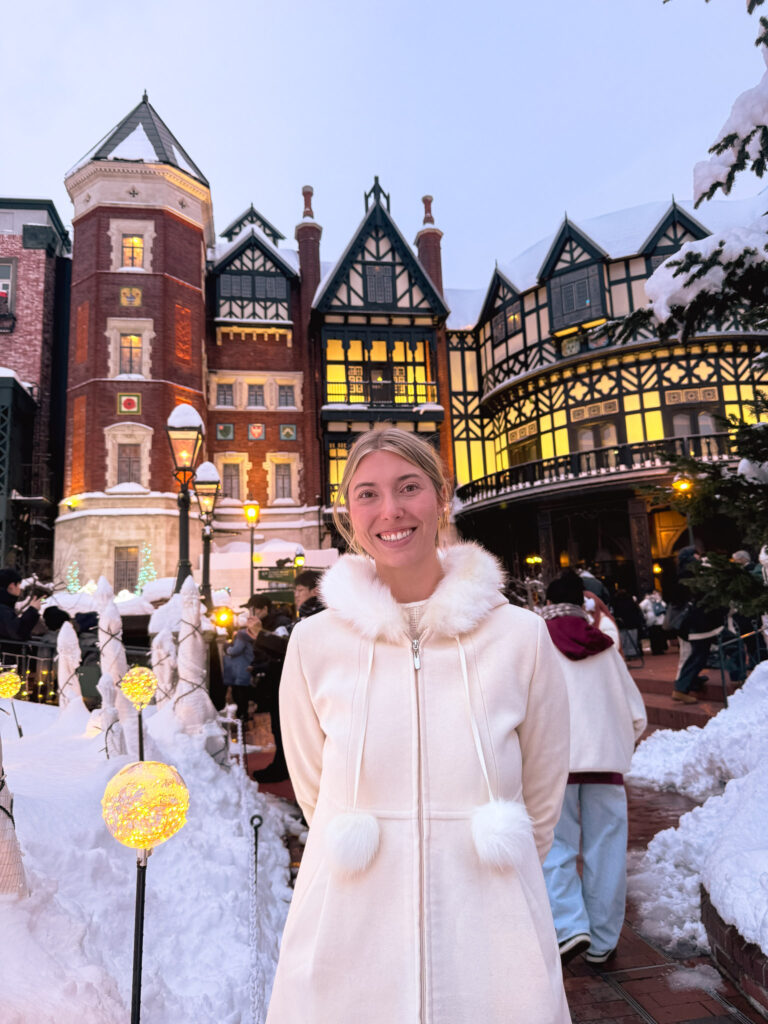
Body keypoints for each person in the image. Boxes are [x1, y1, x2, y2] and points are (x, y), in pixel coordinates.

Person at [266, 427, 572, 1024]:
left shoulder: (519, 637)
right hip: (349, 936)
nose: (391, 510)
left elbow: (541, 793)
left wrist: (498, 879)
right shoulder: (314, 644)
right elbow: (314, 789)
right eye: (368, 494)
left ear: (442, 498)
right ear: (347, 512)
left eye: (409, 488)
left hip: (492, 932)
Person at [541, 570, 647, 967]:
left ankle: (570, 926)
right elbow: (636, 715)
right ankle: (602, 941)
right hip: (606, 767)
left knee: (555, 847)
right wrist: (617, 745)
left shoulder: (534, 646)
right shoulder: (605, 649)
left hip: (553, 765)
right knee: (608, 850)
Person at [670, 546, 724, 703]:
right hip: (702, 622)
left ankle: (689, 683)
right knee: (698, 655)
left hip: (694, 623)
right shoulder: (694, 573)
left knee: (696, 655)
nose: (699, 556)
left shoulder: (681, 574)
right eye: (696, 554)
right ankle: (682, 687)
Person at [222, 616, 261, 720]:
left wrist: (227, 647)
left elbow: (236, 650)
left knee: (240, 694)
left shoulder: (241, 634)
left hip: (241, 668)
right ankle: (246, 714)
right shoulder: (252, 634)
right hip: (249, 665)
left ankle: (242, 715)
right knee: (246, 692)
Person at [0, 569, 41, 645]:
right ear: (11, 586)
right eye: (19, 585)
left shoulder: (5, 605)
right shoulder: (3, 609)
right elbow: (18, 632)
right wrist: (33, 610)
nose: (20, 588)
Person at [639, 591, 667, 655]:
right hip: (660, 620)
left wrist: (644, 615)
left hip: (651, 620)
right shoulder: (658, 599)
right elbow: (664, 605)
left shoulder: (647, 600)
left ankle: (655, 650)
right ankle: (660, 649)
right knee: (660, 635)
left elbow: (640, 607)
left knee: (653, 636)